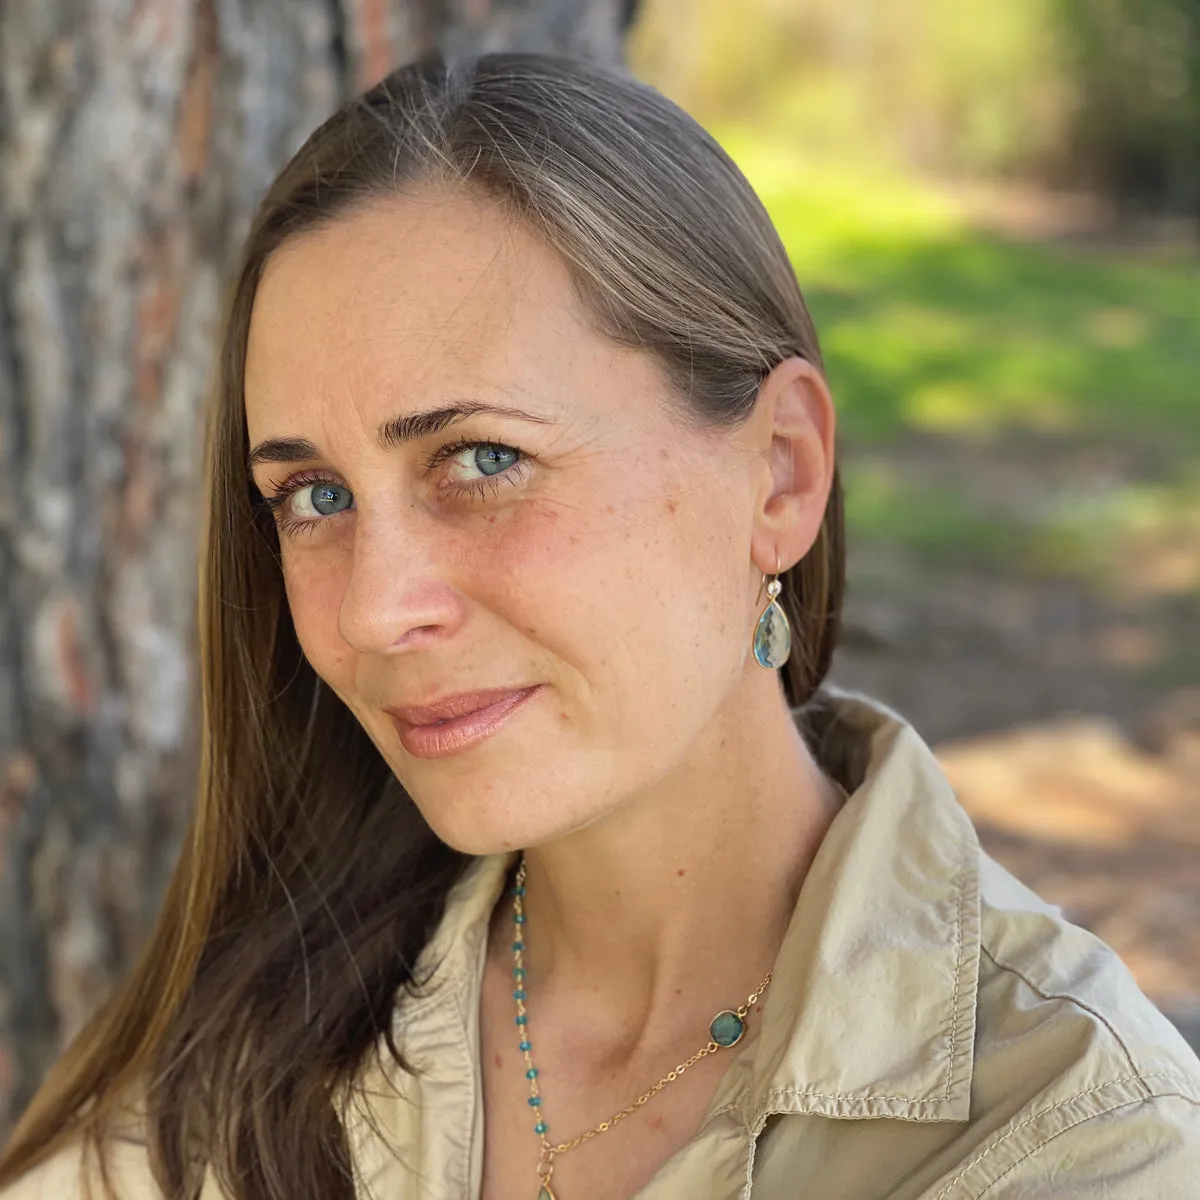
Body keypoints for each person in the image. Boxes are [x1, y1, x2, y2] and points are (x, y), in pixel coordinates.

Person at [0, 51, 1197, 1200]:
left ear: (779, 475)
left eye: (481, 459)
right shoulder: (246, 1036)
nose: (373, 608)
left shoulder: (1079, 1142)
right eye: (315, 497)